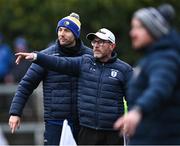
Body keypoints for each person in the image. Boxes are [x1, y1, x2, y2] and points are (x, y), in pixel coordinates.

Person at [15, 28, 133, 145]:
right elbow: (59, 63)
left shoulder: (124, 70)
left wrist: (130, 121)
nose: (96, 45)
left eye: (101, 42)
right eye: (94, 42)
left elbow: (134, 98)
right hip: (87, 131)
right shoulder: (85, 62)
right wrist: (36, 57)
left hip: (113, 132)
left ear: (112, 46)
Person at [8, 12, 92, 145]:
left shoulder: (90, 55)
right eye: (60, 30)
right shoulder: (45, 55)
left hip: (83, 121)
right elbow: (26, 84)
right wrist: (15, 112)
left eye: (67, 31)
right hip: (55, 121)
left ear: (76, 34)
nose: (61, 34)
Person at [114, 4, 180, 145]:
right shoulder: (151, 57)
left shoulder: (164, 58)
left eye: (139, 27)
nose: (132, 33)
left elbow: (160, 88)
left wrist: (138, 111)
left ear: (153, 30)